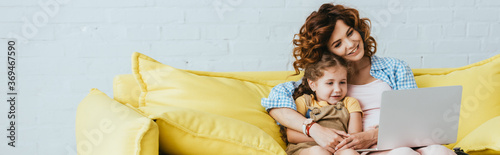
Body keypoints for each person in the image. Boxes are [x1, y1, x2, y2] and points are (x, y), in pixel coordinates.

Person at [261, 3, 456, 155]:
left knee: (439, 151)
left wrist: (372, 135)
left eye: (350, 33)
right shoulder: (327, 82)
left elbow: (415, 117)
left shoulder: (394, 68)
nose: (351, 44)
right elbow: (277, 99)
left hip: (401, 141)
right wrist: (313, 129)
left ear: (357, 29)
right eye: (338, 44)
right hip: (363, 150)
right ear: (327, 52)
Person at [284, 53, 362, 155]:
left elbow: (354, 136)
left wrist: (336, 143)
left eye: (342, 82)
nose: (338, 89)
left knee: (350, 153)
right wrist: (322, 138)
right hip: (306, 148)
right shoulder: (304, 101)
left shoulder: (350, 103)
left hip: (338, 148)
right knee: (319, 152)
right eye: (330, 83)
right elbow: (291, 135)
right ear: (313, 85)